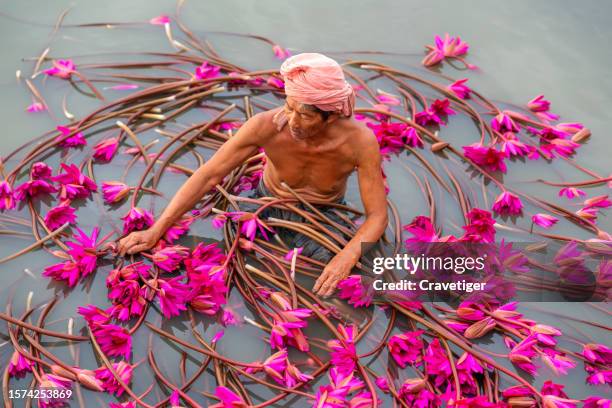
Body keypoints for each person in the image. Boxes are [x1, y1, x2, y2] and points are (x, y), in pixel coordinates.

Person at [117, 52, 388, 297]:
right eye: (289, 107)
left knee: (333, 282)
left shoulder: (359, 142)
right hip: (264, 203)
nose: (291, 122)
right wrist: (156, 230)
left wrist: (347, 256)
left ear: (330, 116)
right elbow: (209, 175)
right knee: (227, 253)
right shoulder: (265, 126)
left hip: (322, 213)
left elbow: (377, 216)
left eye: (304, 116)